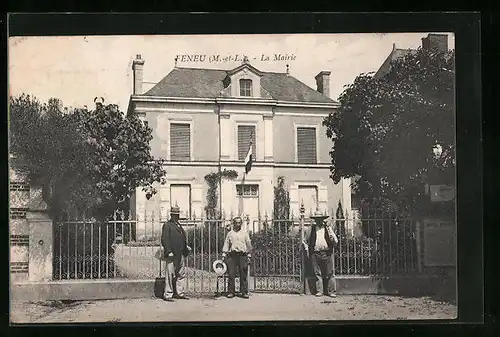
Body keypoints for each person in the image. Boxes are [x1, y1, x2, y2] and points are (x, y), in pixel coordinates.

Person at [303, 211, 339, 297]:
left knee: (330, 273)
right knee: (317, 273)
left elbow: (335, 241)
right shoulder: (311, 229)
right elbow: (304, 241)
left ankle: (332, 291)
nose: (319, 221)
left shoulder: (328, 228)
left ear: (323, 219)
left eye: (320, 219)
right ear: (315, 220)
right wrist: (308, 249)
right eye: (317, 219)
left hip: (327, 253)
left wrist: (330, 231)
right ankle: (320, 291)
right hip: (315, 253)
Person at [161, 205, 191, 302]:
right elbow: (165, 239)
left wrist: (185, 247)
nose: (176, 216)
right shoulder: (167, 225)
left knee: (181, 274)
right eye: (174, 215)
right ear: (171, 215)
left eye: (177, 215)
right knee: (169, 274)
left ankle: (180, 293)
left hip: (180, 253)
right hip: (172, 254)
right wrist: (168, 251)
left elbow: (181, 238)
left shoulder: (179, 225)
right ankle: (168, 294)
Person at [222, 216, 252, 299]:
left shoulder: (245, 233)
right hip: (232, 255)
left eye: (239, 222)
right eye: (236, 223)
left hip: (242, 255)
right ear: (233, 223)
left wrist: (249, 255)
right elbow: (226, 244)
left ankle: (244, 292)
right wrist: (224, 255)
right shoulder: (230, 233)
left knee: (243, 274)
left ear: (241, 224)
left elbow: (248, 244)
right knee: (231, 274)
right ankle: (231, 292)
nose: (238, 224)